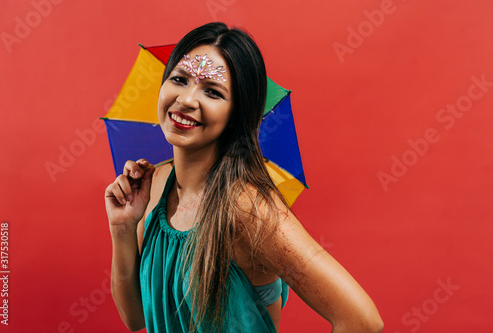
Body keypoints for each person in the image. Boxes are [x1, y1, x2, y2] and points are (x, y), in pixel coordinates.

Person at [105, 22, 384, 333]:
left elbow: (362, 321)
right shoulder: (156, 183)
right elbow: (135, 318)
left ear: (236, 113)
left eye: (212, 91)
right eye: (179, 79)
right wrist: (123, 227)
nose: (186, 99)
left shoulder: (247, 209)